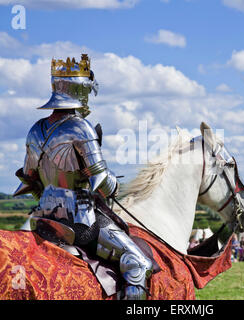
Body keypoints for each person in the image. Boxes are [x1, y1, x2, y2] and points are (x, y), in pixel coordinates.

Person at [13, 54, 153, 300]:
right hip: (79, 220)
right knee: (138, 264)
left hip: (42, 216)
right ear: (81, 90)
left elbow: (29, 179)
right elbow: (102, 183)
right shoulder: (81, 127)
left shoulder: (35, 129)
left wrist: (49, 196)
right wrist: (116, 185)